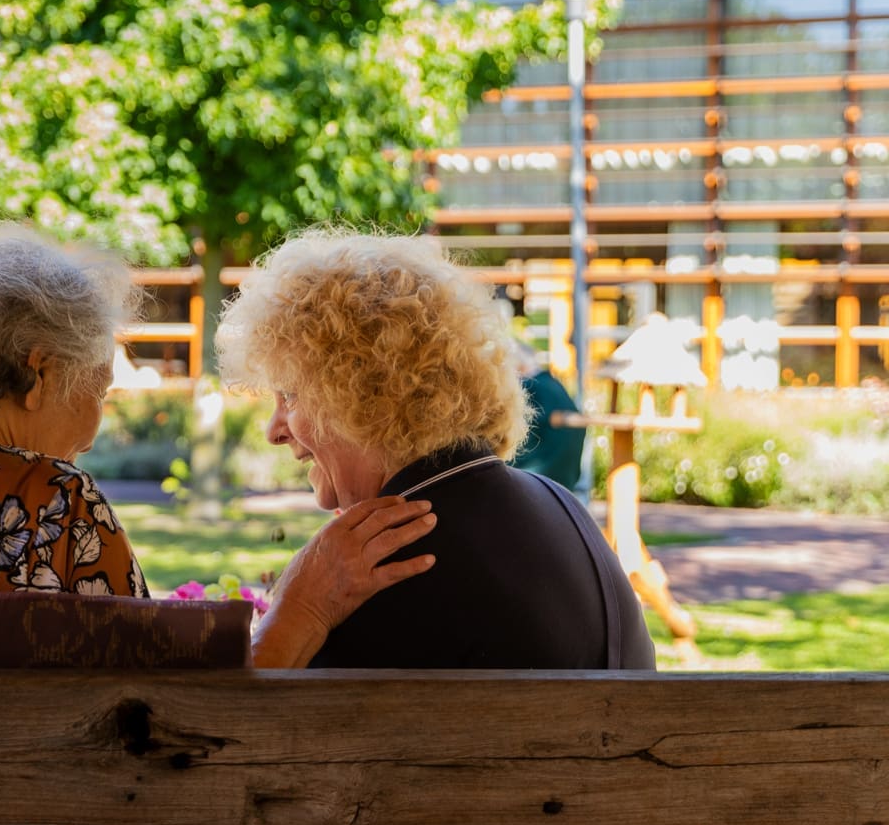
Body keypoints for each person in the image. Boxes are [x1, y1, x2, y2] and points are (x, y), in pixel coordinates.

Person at [0, 223, 439, 664]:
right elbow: (168, 714)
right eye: (98, 392)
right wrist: (303, 608)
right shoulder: (50, 501)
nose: (94, 431)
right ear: (37, 373)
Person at [216, 229, 654, 670]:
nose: (274, 430)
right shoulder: (565, 510)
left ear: (361, 394)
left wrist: (299, 614)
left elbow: (227, 733)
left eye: (290, 395)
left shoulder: (376, 570)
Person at [512, 339, 585, 491]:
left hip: (541, 476)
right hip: (567, 475)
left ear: (519, 367)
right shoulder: (553, 383)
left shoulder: (529, 387)